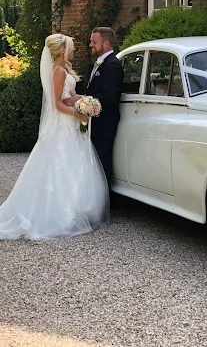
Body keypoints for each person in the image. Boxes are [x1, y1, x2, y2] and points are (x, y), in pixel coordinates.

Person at [0, 34, 110, 240]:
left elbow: (67, 98)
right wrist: (78, 113)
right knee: (62, 163)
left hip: (69, 123)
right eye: (70, 47)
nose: (73, 50)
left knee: (72, 164)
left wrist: (81, 101)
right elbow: (56, 103)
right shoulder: (58, 71)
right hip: (63, 124)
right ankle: (60, 213)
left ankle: (77, 209)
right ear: (61, 50)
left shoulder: (63, 68)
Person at [65, 27, 124, 189]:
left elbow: (108, 96)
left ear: (105, 44)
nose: (90, 45)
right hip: (95, 122)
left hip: (105, 123)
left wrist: (82, 100)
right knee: (95, 163)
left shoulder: (112, 65)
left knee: (103, 163)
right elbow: (94, 90)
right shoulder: (100, 63)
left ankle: (106, 203)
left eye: (94, 42)